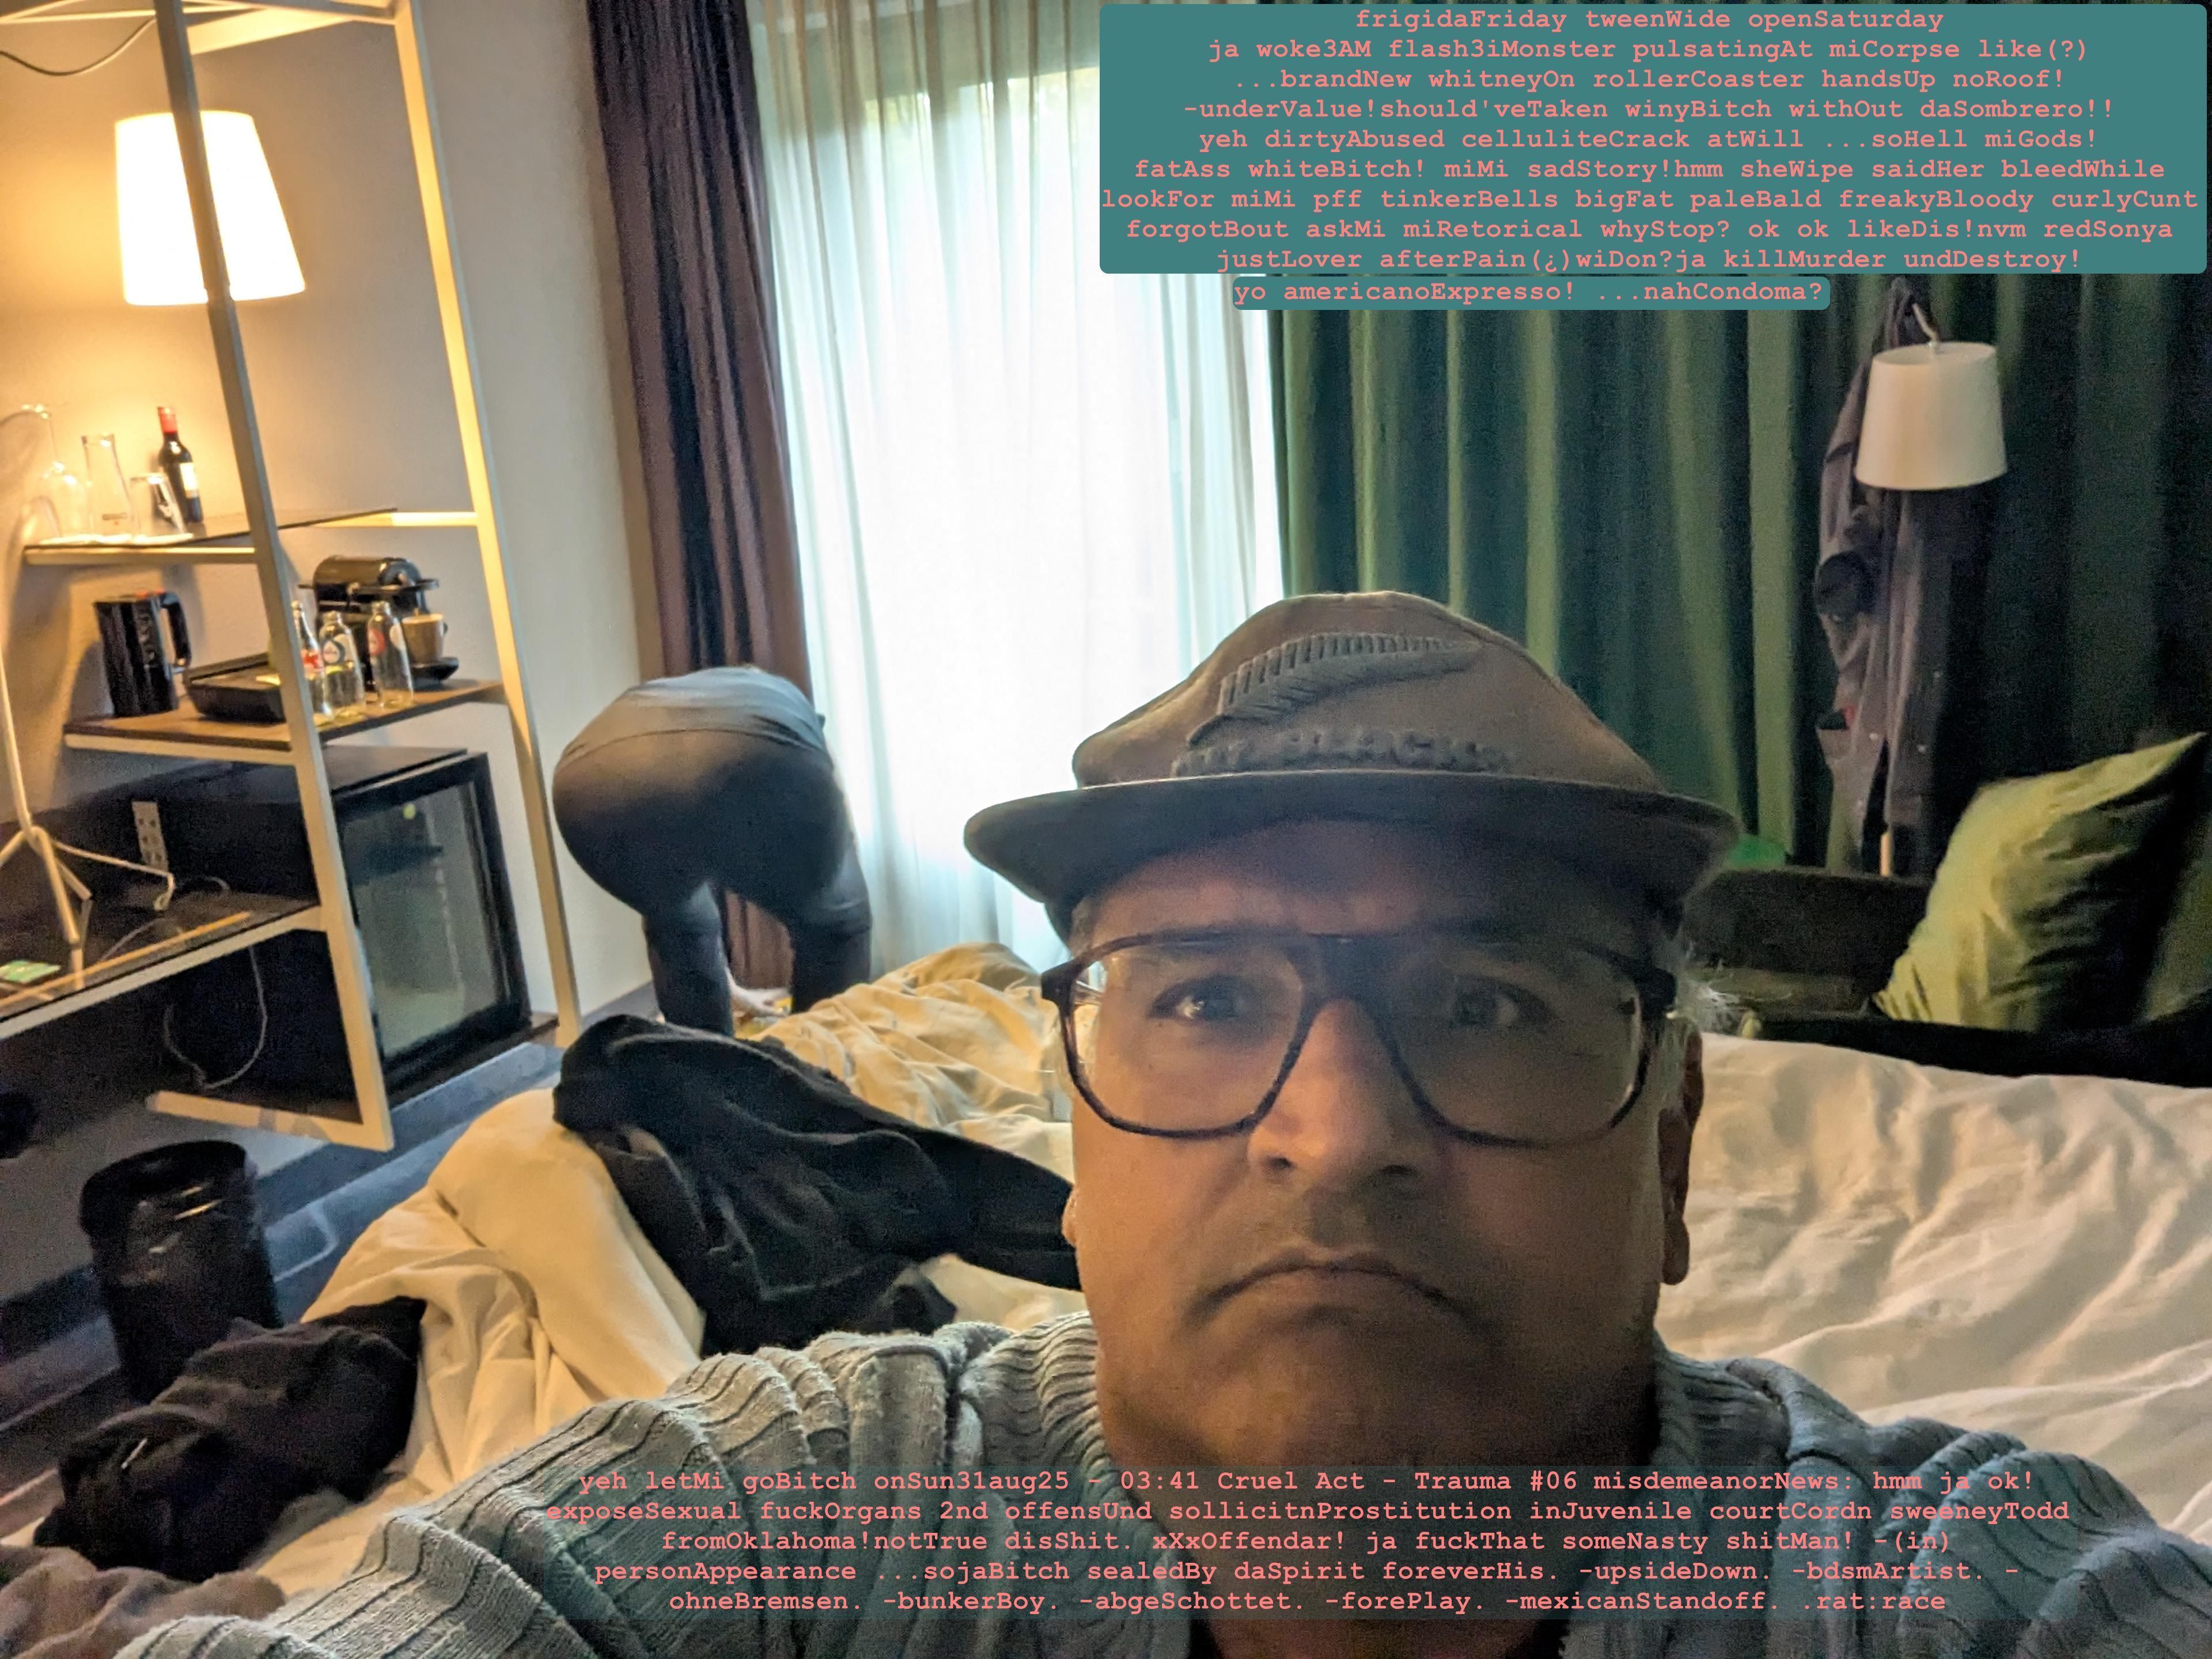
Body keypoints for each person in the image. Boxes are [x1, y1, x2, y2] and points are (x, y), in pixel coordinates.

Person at [126, 594, 2211, 1659]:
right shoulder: (793, 1505)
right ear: (1075, 1131)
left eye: (1485, 1002)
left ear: (1670, 1153)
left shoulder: (1939, 1586)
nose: (1335, 1130)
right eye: (1203, 997)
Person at [552, 666, 874, 1030]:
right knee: (836, 926)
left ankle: (705, 1056)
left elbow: (683, 796)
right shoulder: (780, 700)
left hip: (590, 778)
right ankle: (817, 1056)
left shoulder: (690, 696)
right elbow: (839, 810)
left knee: (678, 924)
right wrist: (842, 900)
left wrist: (727, 988)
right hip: (756, 755)